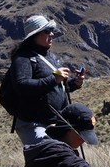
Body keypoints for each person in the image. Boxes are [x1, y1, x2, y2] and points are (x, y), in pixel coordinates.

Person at [6, 14, 86, 145]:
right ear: (34, 35)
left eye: (52, 31)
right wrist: (54, 78)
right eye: (47, 31)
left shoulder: (49, 57)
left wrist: (75, 83)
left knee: (61, 158)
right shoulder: (23, 58)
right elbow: (21, 86)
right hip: (33, 123)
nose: (52, 34)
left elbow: (56, 87)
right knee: (49, 155)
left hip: (54, 122)